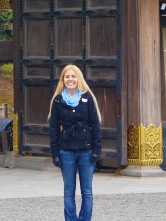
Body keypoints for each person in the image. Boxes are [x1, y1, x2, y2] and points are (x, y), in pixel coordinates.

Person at [49, 64, 102, 221]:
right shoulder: (58, 101)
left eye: (73, 76)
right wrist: (55, 153)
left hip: (86, 150)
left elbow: (95, 125)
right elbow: (53, 129)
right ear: (63, 80)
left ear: (78, 79)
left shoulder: (87, 98)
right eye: (67, 77)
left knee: (87, 191)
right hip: (66, 151)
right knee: (68, 191)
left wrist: (97, 149)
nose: (70, 79)